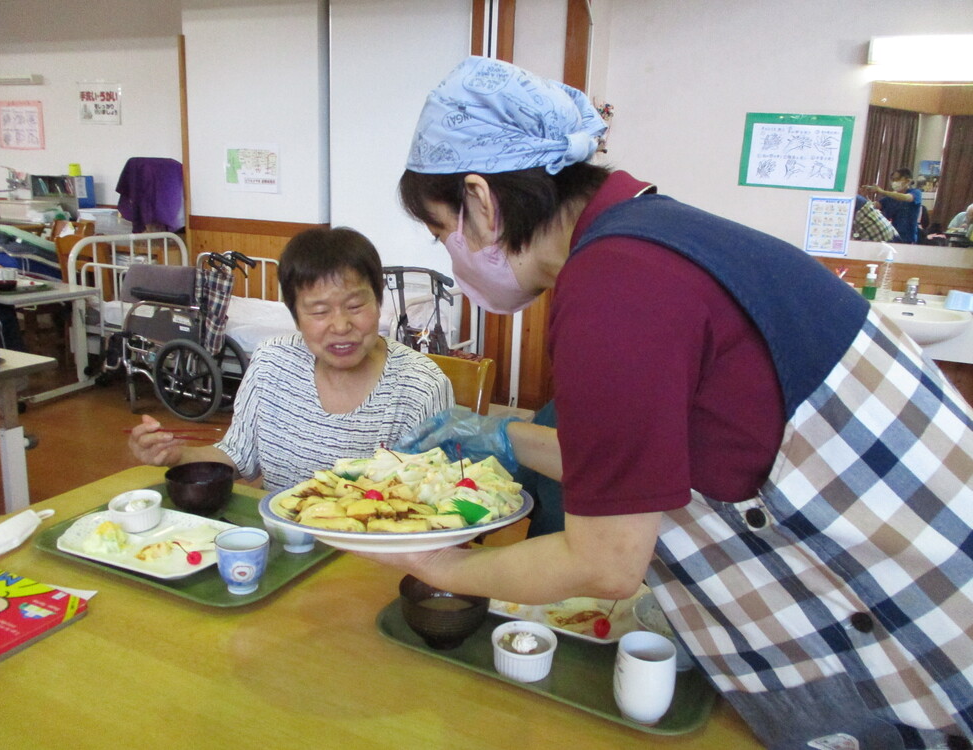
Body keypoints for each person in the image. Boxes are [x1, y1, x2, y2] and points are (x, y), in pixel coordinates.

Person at [367, 57, 973, 750]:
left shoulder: (613, 287)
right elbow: (644, 465)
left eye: (440, 229)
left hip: (934, 635)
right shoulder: (651, 235)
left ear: (480, 200)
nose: (451, 255)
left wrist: (438, 567)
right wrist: (504, 439)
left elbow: (607, 561)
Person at [129, 227, 454, 491]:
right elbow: (237, 456)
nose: (341, 326)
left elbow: (442, 492)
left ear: (379, 302)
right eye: (318, 311)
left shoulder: (420, 385)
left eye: (355, 306)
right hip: (284, 547)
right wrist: (176, 455)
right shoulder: (272, 364)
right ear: (296, 317)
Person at [864, 168, 923, 243]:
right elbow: (874, 205)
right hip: (892, 237)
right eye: (893, 179)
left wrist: (882, 191)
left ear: (908, 181)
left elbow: (905, 197)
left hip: (908, 239)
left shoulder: (916, 193)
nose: (894, 182)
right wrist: (865, 196)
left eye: (897, 179)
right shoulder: (891, 197)